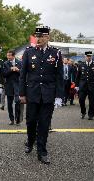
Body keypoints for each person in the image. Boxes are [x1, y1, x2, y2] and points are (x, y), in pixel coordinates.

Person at [19, 26, 63, 164]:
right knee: (31, 121)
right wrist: (22, 93)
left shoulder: (56, 53)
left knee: (44, 123)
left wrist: (58, 96)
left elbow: (59, 76)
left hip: (48, 94)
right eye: (37, 36)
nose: (38, 39)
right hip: (32, 93)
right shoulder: (28, 52)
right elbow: (22, 75)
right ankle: (30, 141)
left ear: (47, 37)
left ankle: (42, 151)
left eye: (41, 36)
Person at [75, 51, 94, 120]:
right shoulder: (81, 65)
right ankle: (83, 112)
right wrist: (76, 85)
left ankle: (91, 114)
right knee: (81, 100)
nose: (89, 57)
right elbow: (78, 76)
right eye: (87, 56)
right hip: (83, 86)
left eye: (90, 56)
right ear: (85, 56)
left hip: (92, 86)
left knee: (92, 101)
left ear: (91, 56)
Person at [3, 50, 23, 125]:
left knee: (18, 101)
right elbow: (4, 74)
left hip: (18, 85)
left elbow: (23, 73)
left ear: (13, 56)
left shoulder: (20, 62)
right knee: (9, 103)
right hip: (9, 86)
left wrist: (18, 70)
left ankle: (17, 119)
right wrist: (10, 69)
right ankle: (11, 119)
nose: (8, 57)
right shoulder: (5, 63)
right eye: (7, 55)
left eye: (9, 55)